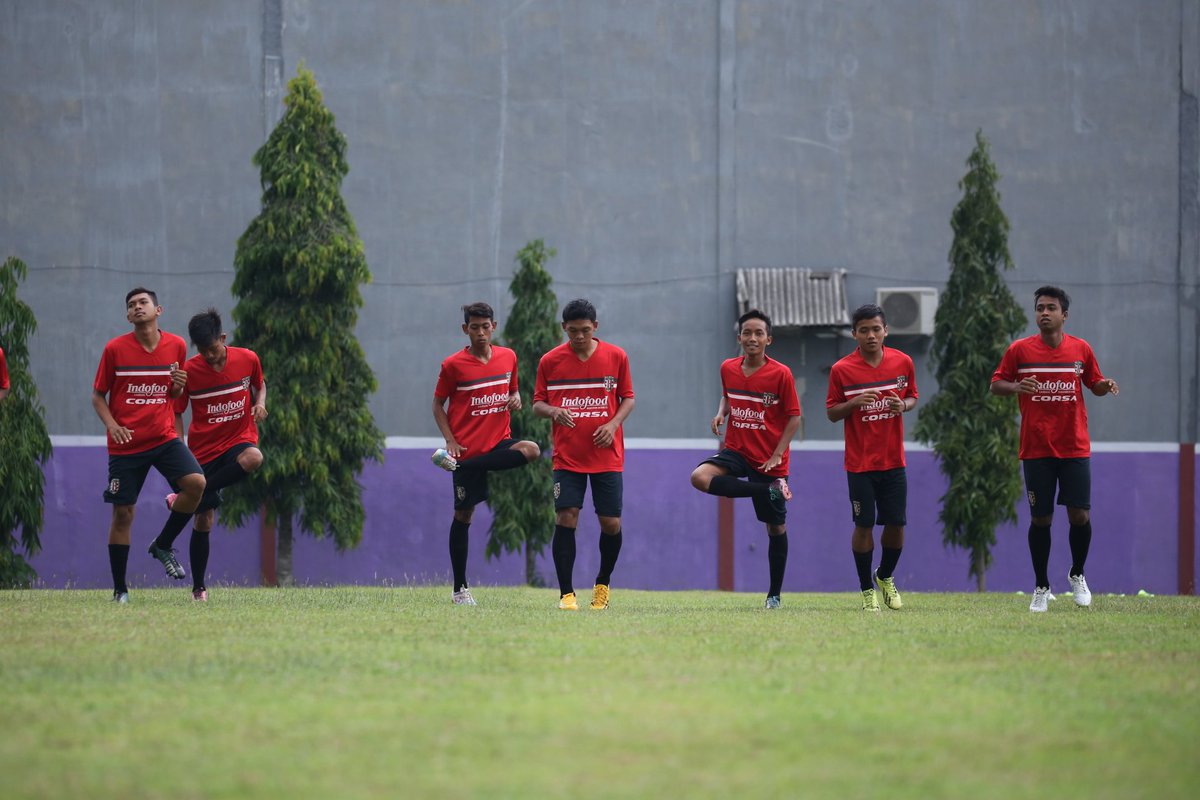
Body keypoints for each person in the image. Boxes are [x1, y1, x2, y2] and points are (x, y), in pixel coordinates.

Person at [991, 286, 1119, 612]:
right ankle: (1041, 586)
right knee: (1041, 520)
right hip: (1036, 449)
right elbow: (996, 385)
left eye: (1051, 308)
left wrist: (1103, 386)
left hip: (1074, 447)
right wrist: (1018, 385)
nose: (1044, 313)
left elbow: (1094, 383)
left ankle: (1077, 574)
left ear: (1064, 315)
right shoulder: (1020, 350)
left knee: (1079, 515)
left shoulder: (1080, 349)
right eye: (1039, 308)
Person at [91, 288, 206, 602]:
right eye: (131, 305)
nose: (137, 307)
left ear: (159, 310)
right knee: (123, 514)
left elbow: (172, 396)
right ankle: (120, 591)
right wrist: (112, 426)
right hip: (126, 444)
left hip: (164, 438)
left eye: (143, 302)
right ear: (128, 316)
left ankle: (163, 544)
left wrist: (176, 389)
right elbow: (97, 396)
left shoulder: (177, 346)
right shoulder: (115, 349)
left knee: (196, 484)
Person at [430, 301, 540, 605]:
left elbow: (513, 389)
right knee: (464, 515)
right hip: (464, 446)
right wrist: (450, 440)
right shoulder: (453, 365)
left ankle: (460, 465)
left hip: (496, 444)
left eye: (485, 326)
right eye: (474, 327)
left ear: (494, 326)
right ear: (466, 330)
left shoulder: (508, 357)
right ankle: (459, 590)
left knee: (532, 449)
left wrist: (515, 396)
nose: (480, 332)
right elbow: (438, 405)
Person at [690, 309, 801, 609]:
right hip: (737, 450)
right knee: (699, 477)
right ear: (739, 338)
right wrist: (720, 412)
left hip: (770, 460)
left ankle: (774, 596)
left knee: (774, 528)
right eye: (747, 333)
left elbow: (794, 418)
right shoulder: (728, 367)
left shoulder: (781, 374)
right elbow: (728, 395)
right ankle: (769, 490)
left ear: (769, 339)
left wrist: (778, 453)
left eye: (759, 333)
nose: (752, 338)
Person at [532, 298, 635, 611]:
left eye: (585, 331)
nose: (578, 337)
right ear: (564, 327)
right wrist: (554, 411)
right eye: (573, 331)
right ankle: (566, 594)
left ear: (596, 328)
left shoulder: (616, 356)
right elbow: (537, 404)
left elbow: (628, 398)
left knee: (611, 523)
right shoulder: (550, 361)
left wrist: (613, 423)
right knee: (566, 517)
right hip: (568, 457)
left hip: (607, 456)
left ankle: (602, 585)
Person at [159, 309, 267, 601]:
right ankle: (199, 589)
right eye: (203, 351)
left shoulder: (247, 358)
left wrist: (259, 403)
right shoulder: (190, 371)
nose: (209, 355)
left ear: (223, 338)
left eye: (214, 348)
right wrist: (179, 445)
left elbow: (260, 384)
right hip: (203, 449)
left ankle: (190, 493)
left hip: (239, 439)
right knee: (204, 518)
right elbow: (177, 410)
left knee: (254, 458)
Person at [826, 304, 918, 612]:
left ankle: (885, 576)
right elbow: (831, 413)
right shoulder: (842, 370)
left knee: (896, 524)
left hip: (894, 462)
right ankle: (867, 590)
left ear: (886, 331)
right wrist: (853, 403)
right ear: (854, 334)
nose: (870, 335)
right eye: (863, 330)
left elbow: (913, 397)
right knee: (864, 525)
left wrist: (902, 406)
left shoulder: (902, 362)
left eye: (876, 329)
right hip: (860, 465)